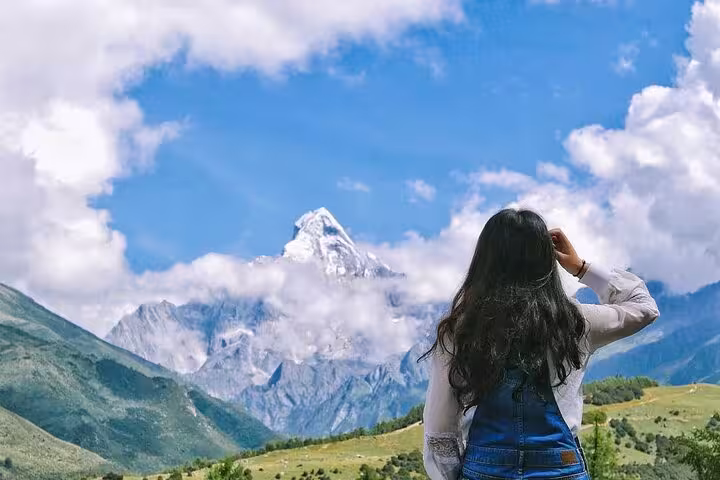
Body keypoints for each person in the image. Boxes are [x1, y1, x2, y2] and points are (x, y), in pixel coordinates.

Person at [421, 208, 659, 480]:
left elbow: (440, 430)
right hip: (562, 468)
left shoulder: (460, 329)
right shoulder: (576, 322)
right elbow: (644, 308)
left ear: (484, 262)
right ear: (546, 261)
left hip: (484, 470)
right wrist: (580, 267)